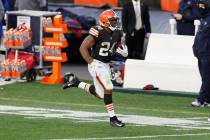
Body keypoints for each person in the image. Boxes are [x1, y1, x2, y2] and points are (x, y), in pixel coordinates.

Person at [62, 9, 128, 127]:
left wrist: (122, 49)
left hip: (106, 64)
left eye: (115, 20)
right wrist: (91, 62)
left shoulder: (118, 32)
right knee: (108, 87)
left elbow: (117, 45)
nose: (115, 23)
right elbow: (83, 48)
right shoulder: (98, 31)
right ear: (104, 22)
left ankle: (76, 83)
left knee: (100, 94)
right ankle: (113, 119)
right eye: (112, 21)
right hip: (96, 63)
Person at [191, 0, 210, 107]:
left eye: (203, 6)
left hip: (207, 53)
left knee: (206, 78)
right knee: (205, 78)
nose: (201, 7)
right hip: (201, 53)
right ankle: (207, 99)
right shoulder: (204, 19)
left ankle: (201, 100)